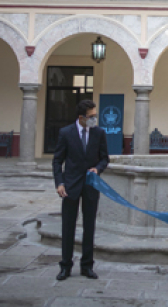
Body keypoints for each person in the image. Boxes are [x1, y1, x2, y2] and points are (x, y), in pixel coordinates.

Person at [52, 99, 109, 281]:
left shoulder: (99, 133)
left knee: (89, 226)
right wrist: (59, 183)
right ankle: (65, 266)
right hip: (70, 186)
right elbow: (57, 160)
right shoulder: (66, 133)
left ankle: (87, 266)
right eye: (91, 117)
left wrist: (97, 168)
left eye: (95, 116)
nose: (95, 119)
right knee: (68, 226)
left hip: (91, 185)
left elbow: (105, 158)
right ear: (81, 117)